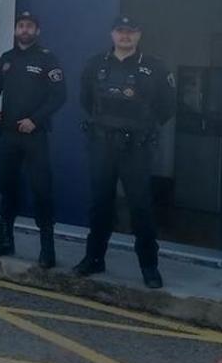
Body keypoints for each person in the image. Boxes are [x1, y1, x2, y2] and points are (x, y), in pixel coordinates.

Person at [74, 15, 176, 289]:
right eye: (120, 31)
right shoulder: (95, 64)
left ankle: (149, 267)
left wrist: (141, 127)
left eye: (131, 31)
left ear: (139, 35)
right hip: (102, 145)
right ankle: (94, 258)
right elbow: (86, 100)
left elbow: (167, 106)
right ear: (112, 34)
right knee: (100, 205)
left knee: (140, 206)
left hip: (136, 149)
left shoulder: (154, 67)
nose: (125, 36)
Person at [0, 11, 67, 267]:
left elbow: (59, 96)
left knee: (42, 190)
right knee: (7, 188)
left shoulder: (47, 59)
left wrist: (35, 120)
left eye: (30, 26)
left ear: (37, 31)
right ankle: (4, 239)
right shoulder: (7, 59)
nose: (25, 29)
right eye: (21, 25)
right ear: (16, 29)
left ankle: (47, 249)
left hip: (34, 136)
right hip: (8, 134)